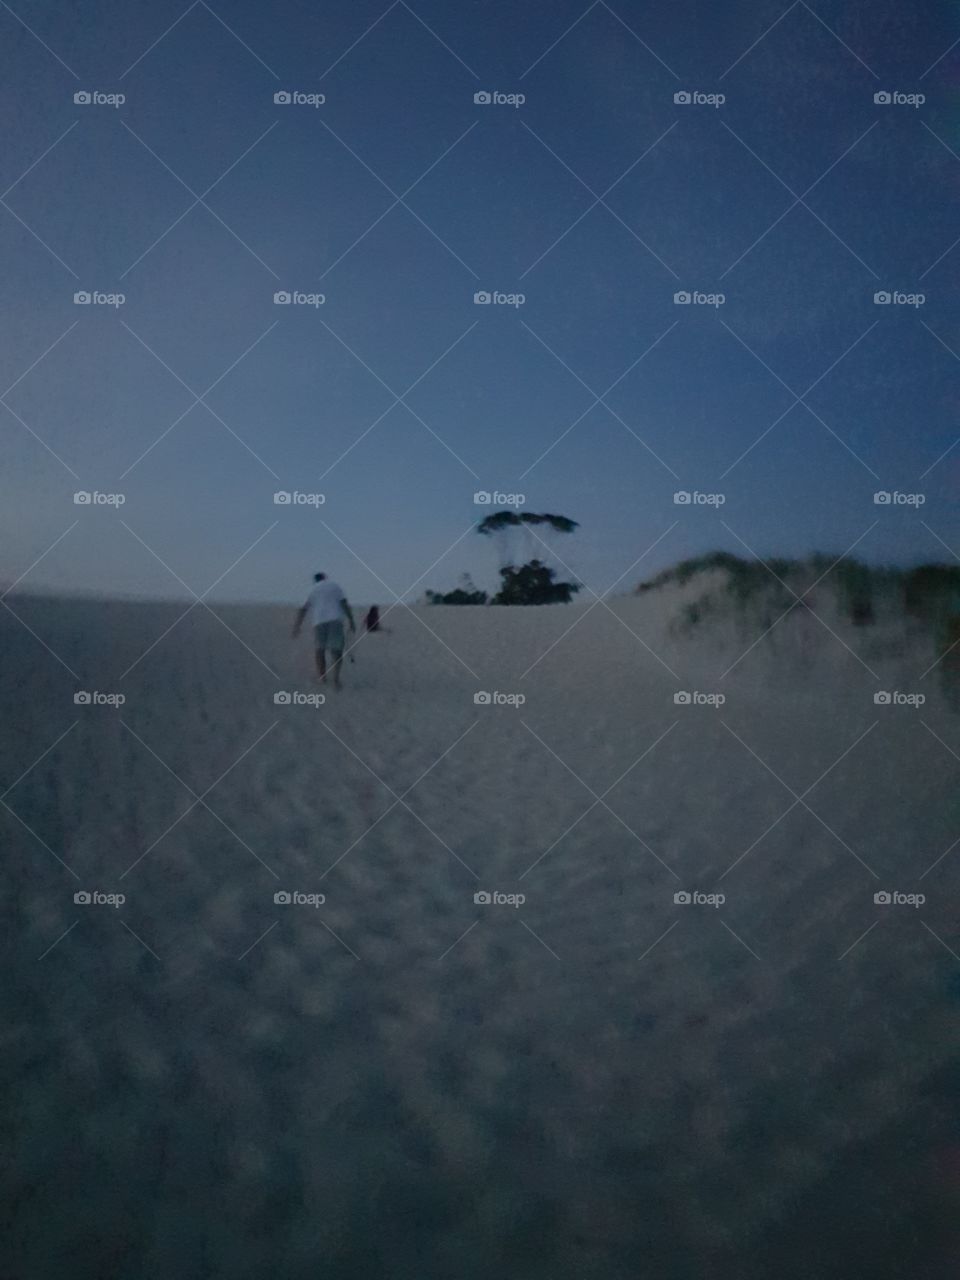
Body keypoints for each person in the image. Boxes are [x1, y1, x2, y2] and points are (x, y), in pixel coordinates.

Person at [292, 573, 356, 687]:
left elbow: (303, 609)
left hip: (319, 621)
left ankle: (322, 677)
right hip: (336, 620)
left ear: (315, 580)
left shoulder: (312, 589)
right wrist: (351, 621)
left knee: (319, 650)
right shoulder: (335, 586)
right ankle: (336, 678)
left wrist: (297, 626)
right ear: (325, 578)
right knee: (336, 650)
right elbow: (344, 603)